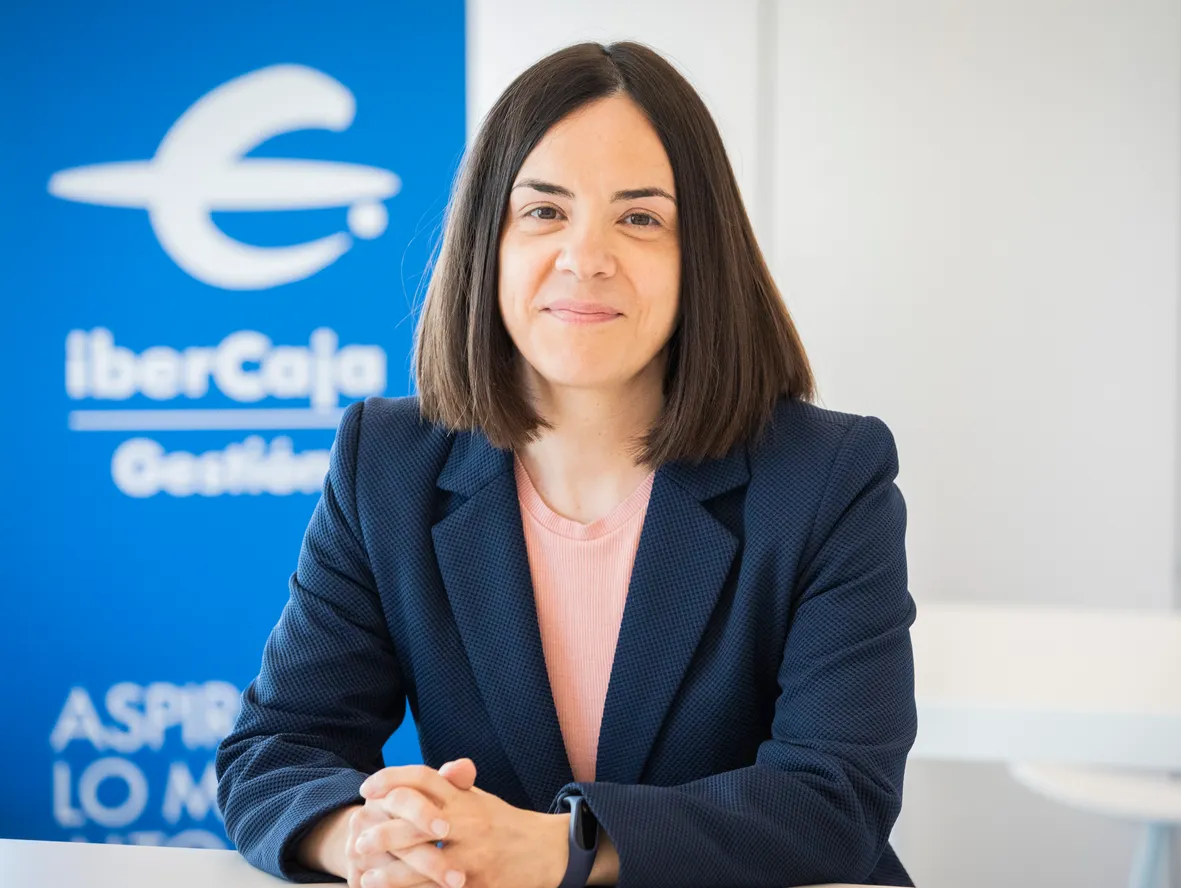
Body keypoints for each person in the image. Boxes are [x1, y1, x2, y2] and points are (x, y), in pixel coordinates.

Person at [215, 40, 916, 888]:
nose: (586, 257)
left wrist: (559, 850)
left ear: (703, 256)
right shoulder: (388, 463)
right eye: (544, 211)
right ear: (488, 242)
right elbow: (278, 750)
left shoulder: (828, 476)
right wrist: (367, 838)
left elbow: (836, 796)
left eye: (641, 218)